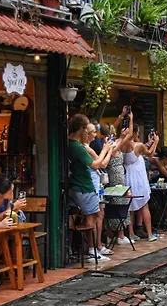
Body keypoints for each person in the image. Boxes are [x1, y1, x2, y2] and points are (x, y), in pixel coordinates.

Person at [68, 113, 113, 262]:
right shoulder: (78, 147)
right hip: (84, 186)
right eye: (87, 129)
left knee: (80, 217)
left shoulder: (70, 144)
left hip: (76, 185)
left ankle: (74, 249)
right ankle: (93, 251)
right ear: (82, 129)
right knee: (91, 219)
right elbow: (96, 164)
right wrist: (106, 149)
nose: (88, 132)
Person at [120, 112, 160, 242]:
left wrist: (148, 142)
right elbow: (149, 153)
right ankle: (150, 234)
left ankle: (131, 233)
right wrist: (155, 143)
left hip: (128, 176)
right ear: (135, 132)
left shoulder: (122, 144)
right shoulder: (138, 146)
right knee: (144, 205)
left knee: (130, 206)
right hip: (138, 178)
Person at [84, 123, 113, 256]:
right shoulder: (86, 148)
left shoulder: (87, 147)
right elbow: (102, 164)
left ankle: (97, 246)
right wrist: (108, 150)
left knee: (99, 214)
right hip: (92, 184)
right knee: (95, 216)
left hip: (95, 183)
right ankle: (95, 247)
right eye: (94, 132)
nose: (96, 135)